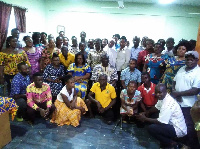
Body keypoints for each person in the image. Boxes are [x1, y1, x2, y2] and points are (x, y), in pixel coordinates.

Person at [136, 84, 187, 148]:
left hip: (178, 129)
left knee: (152, 128)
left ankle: (173, 143)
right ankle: (165, 142)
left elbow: (161, 121)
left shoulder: (168, 103)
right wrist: (146, 113)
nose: (158, 95)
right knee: (153, 115)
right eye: (156, 92)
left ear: (166, 91)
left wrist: (145, 118)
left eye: (160, 92)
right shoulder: (163, 98)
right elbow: (156, 108)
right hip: (171, 124)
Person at [171, 51, 200, 149]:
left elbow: (195, 90)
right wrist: (174, 92)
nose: (189, 61)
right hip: (178, 102)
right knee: (178, 123)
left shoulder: (198, 72)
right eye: (187, 59)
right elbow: (174, 82)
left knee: (189, 126)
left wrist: (178, 94)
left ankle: (190, 145)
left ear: (197, 60)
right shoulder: (182, 69)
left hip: (189, 105)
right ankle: (181, 143)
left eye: (192, 59)